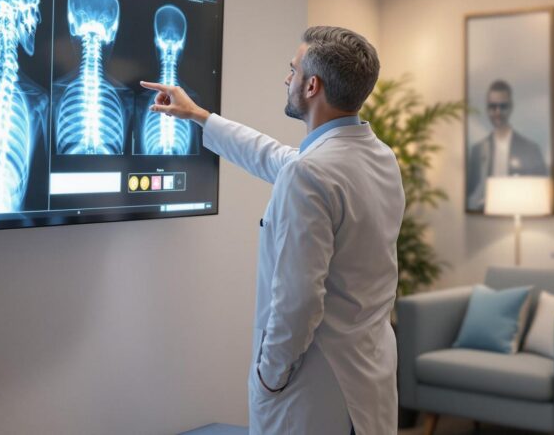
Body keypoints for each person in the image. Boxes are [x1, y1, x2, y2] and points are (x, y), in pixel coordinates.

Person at [140, 26, 404, 435]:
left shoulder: (311, 172)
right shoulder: (379, 157)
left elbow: (298, 301)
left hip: (314, 391)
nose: (287, 78)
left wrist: (269, 376)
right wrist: (199, 116)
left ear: (312, 86)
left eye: (292, 69)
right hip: (367, 381)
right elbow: (278, 158)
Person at [466, 80, 548, 212]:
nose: (497, 112)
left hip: (520, 215)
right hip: (483, 221)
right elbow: (470, 195)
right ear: (487, 109)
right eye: (492, 107)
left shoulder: (531, 150)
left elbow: (543, 195)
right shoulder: (477, 150)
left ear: (511, 107)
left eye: (503, 106)